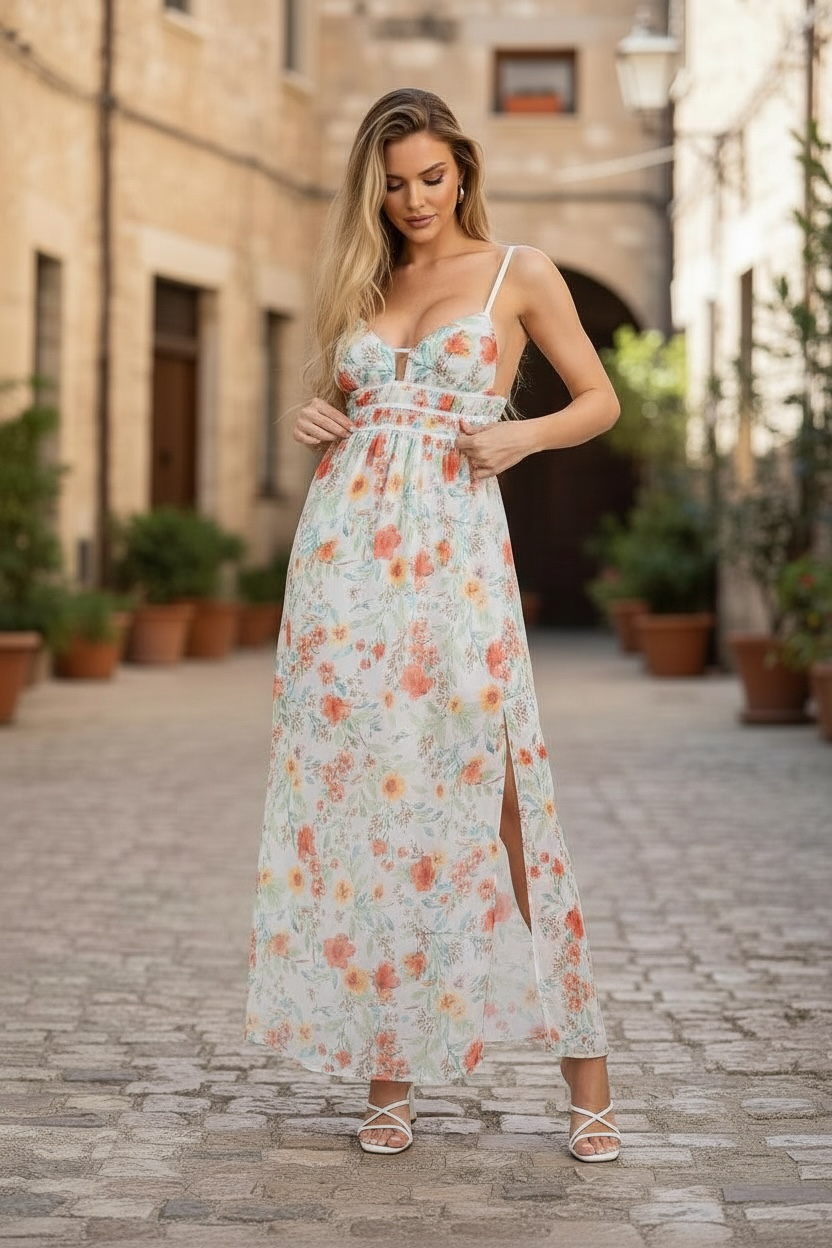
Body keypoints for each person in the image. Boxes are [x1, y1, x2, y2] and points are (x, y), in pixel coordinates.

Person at [245, 88, 622, 1161]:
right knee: (373, 809)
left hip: (455, 562)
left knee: (507, 801)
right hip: (343, 568)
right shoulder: (362, 283)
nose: (414, 200)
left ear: (462, 169)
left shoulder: (518, 272)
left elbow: (599, 400)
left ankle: (589, 1072)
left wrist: (523, 436)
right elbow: (348, 411)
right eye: (394, 183)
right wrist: (316, 415)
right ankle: (389, 1076)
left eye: (431, 177)